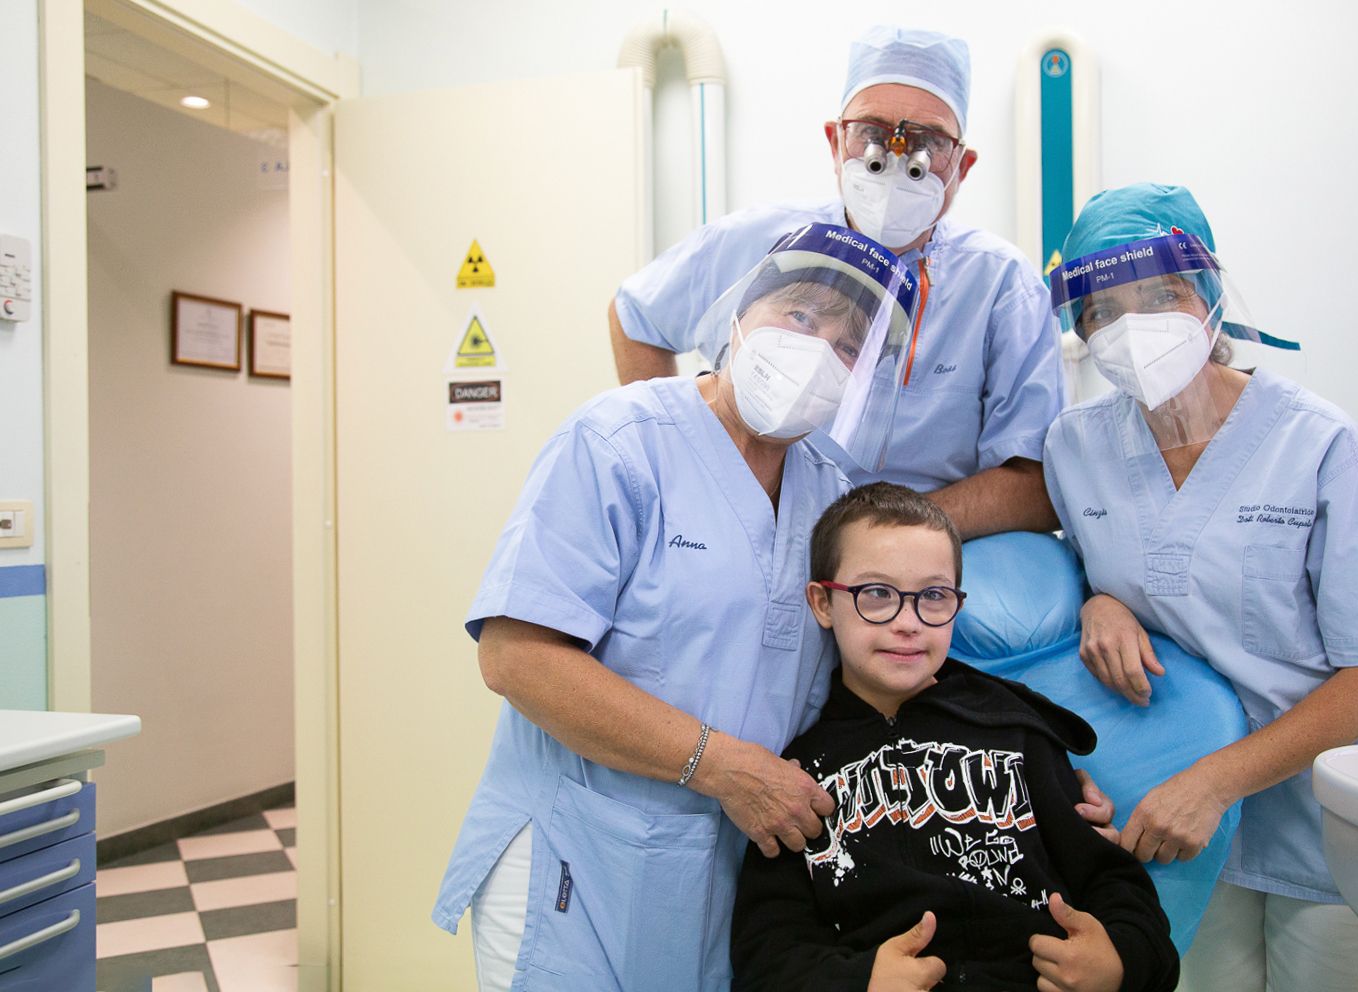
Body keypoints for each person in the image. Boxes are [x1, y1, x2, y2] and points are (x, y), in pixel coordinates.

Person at [431, 223, 918, 991]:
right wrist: (721, 766)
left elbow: (884, 665)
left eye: (849, 346)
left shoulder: (833, 495)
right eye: (798, 317)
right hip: (579, 861)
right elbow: (516, 657)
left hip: (731, 875)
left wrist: (1038, 768)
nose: (818, 351)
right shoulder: (617, 441)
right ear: (738, 316)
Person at [1041, 183, 1358, 992]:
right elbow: (1096, 566)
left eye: (1163, 295)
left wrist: (1213, 783)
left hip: (1331, 830)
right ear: (1081, 328)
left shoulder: (1321, 445)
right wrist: (1102, 600)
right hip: (1177, 840)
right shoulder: (1074, 446)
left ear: (1212, 297)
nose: (1134, 325)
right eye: (1104, 308)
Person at [609, 25, 1065, 538]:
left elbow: (1033, 481)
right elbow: (635, 316)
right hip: (755, 521)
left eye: (927, 143)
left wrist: (879, 535)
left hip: (923, 536)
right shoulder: (763, 240)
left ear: (962, 166)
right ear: (835, 142)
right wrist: (683, 461)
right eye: (872, 132)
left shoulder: (1001, 283)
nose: (895, 158)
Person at [731, 483, 1180, 992]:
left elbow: (1115, 884)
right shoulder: (797, 778)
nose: (908, 623)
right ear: (823, 603)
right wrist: (857, 982)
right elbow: (766, 951)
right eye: (876, 594)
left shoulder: (1015, 731)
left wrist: (1119, 963)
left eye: (933, 596)